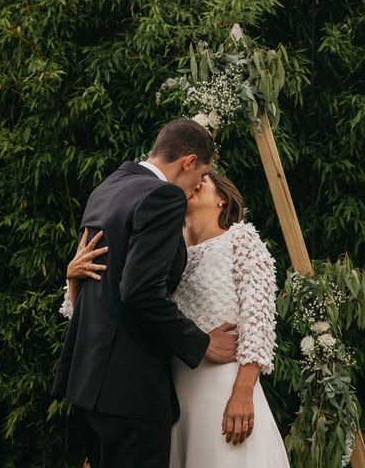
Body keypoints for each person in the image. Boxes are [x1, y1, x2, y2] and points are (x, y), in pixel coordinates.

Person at [63, 171, 290, 467]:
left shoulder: (241, 240)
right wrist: (72, 278)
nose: (196, 181)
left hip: (223, 387)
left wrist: (243, 392)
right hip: (169, 392)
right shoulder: (165, 244)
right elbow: (98, 310)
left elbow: (258, 323)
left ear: (222, 199)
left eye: (205, 179)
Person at [52, 119, 239, 468]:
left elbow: (105, 282)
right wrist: (201, 344)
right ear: (188, 161)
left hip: (87, 381)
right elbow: (139, 291)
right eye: (202, 174)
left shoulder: (108, 187)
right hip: (131, 391)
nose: (200, 184)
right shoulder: (163, 196)